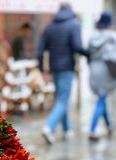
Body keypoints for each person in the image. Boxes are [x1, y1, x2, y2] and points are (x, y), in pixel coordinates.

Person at [37, 2, 89, 144]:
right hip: (66, 68)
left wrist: (42, 69)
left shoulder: (50, 25)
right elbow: (78, 46)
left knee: (61, 98)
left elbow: (40, 50)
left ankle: (67, 129)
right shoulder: (73, 24)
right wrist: (89, 54)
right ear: (70, 10)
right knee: (63, 100)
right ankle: (49, 127)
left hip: (54, 68)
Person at [88, 11, 116, 140]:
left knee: (102, 97)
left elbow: (89, 54)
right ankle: (92, 130)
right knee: (101, 99)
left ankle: (109, 125)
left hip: (94, 70)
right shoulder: (112, 37)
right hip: (106, 71)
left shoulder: (92, 37)